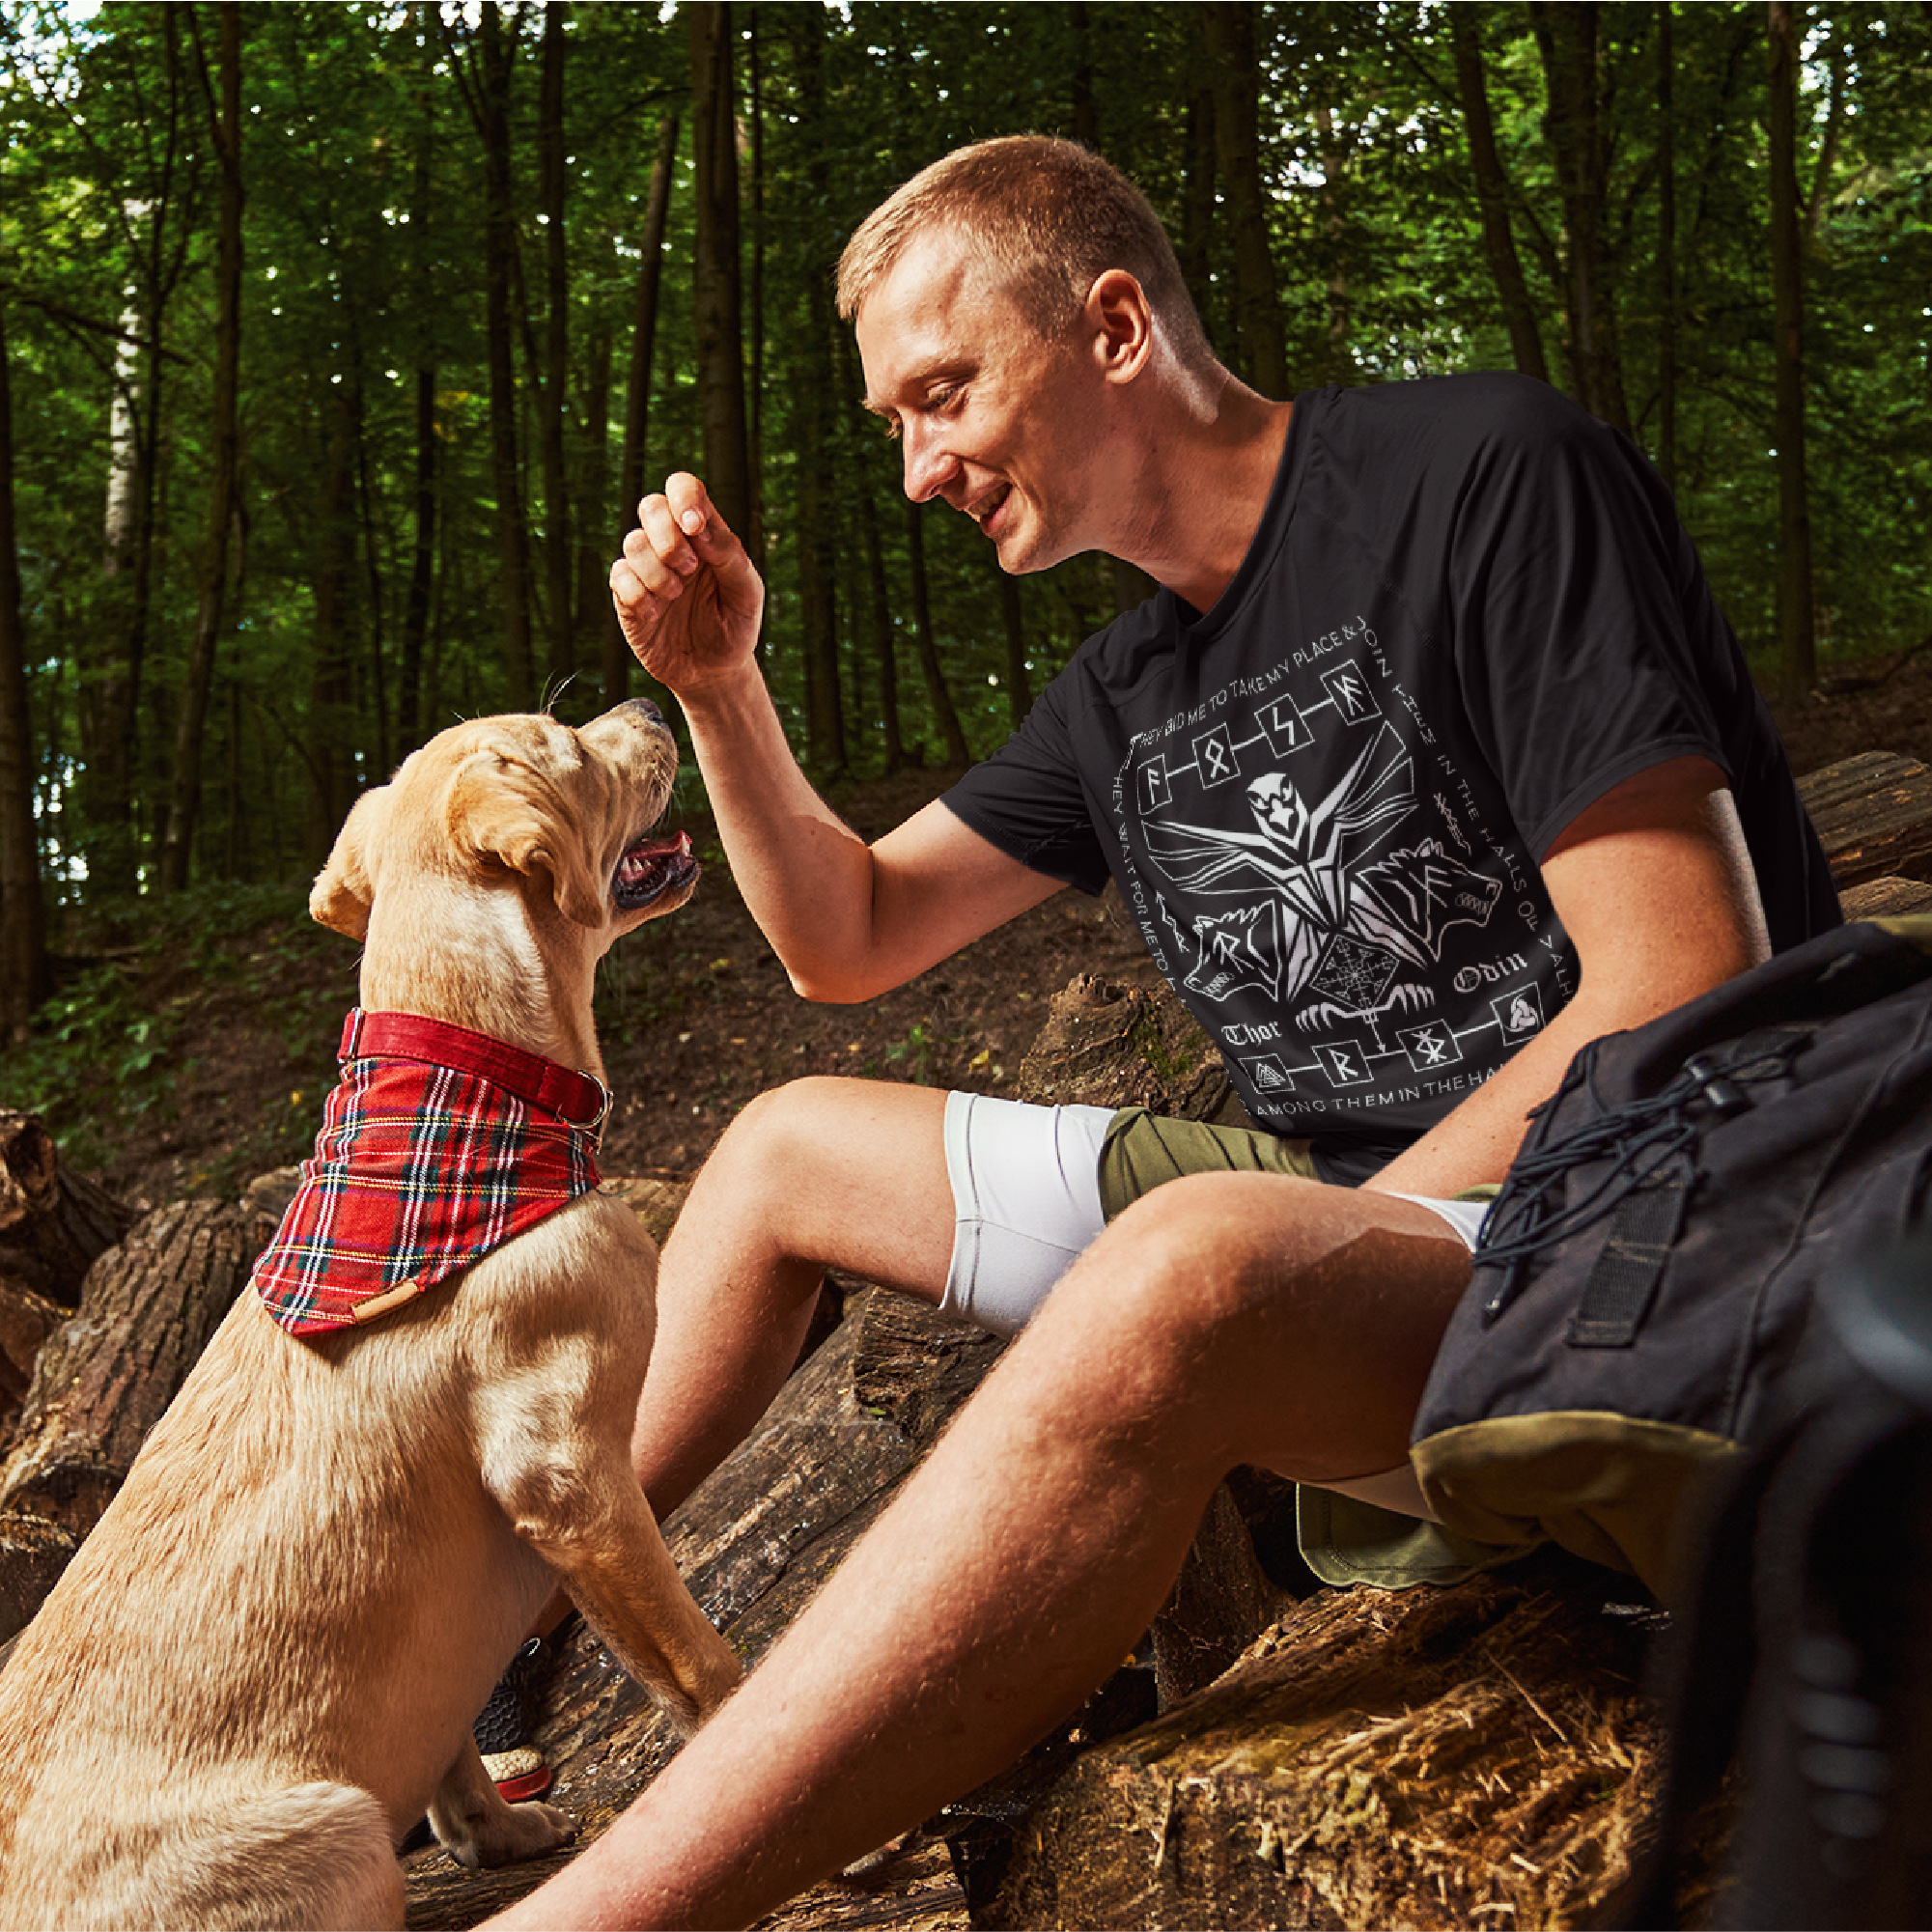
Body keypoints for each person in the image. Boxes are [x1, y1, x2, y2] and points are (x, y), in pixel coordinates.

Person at [475, 136, 1838, 1930]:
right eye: (894, 418)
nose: (919, 469)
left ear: (1114, 325)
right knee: (786, 1147)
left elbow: (1677, 975)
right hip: (1373, 1229)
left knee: (1199, 1256)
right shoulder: (1125, 690)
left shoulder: (1480, 474)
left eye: (943, 394)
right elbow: (846, 934)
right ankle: (486, 1629)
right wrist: (719, 689)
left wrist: (1305, 1235)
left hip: (1673, 1231)